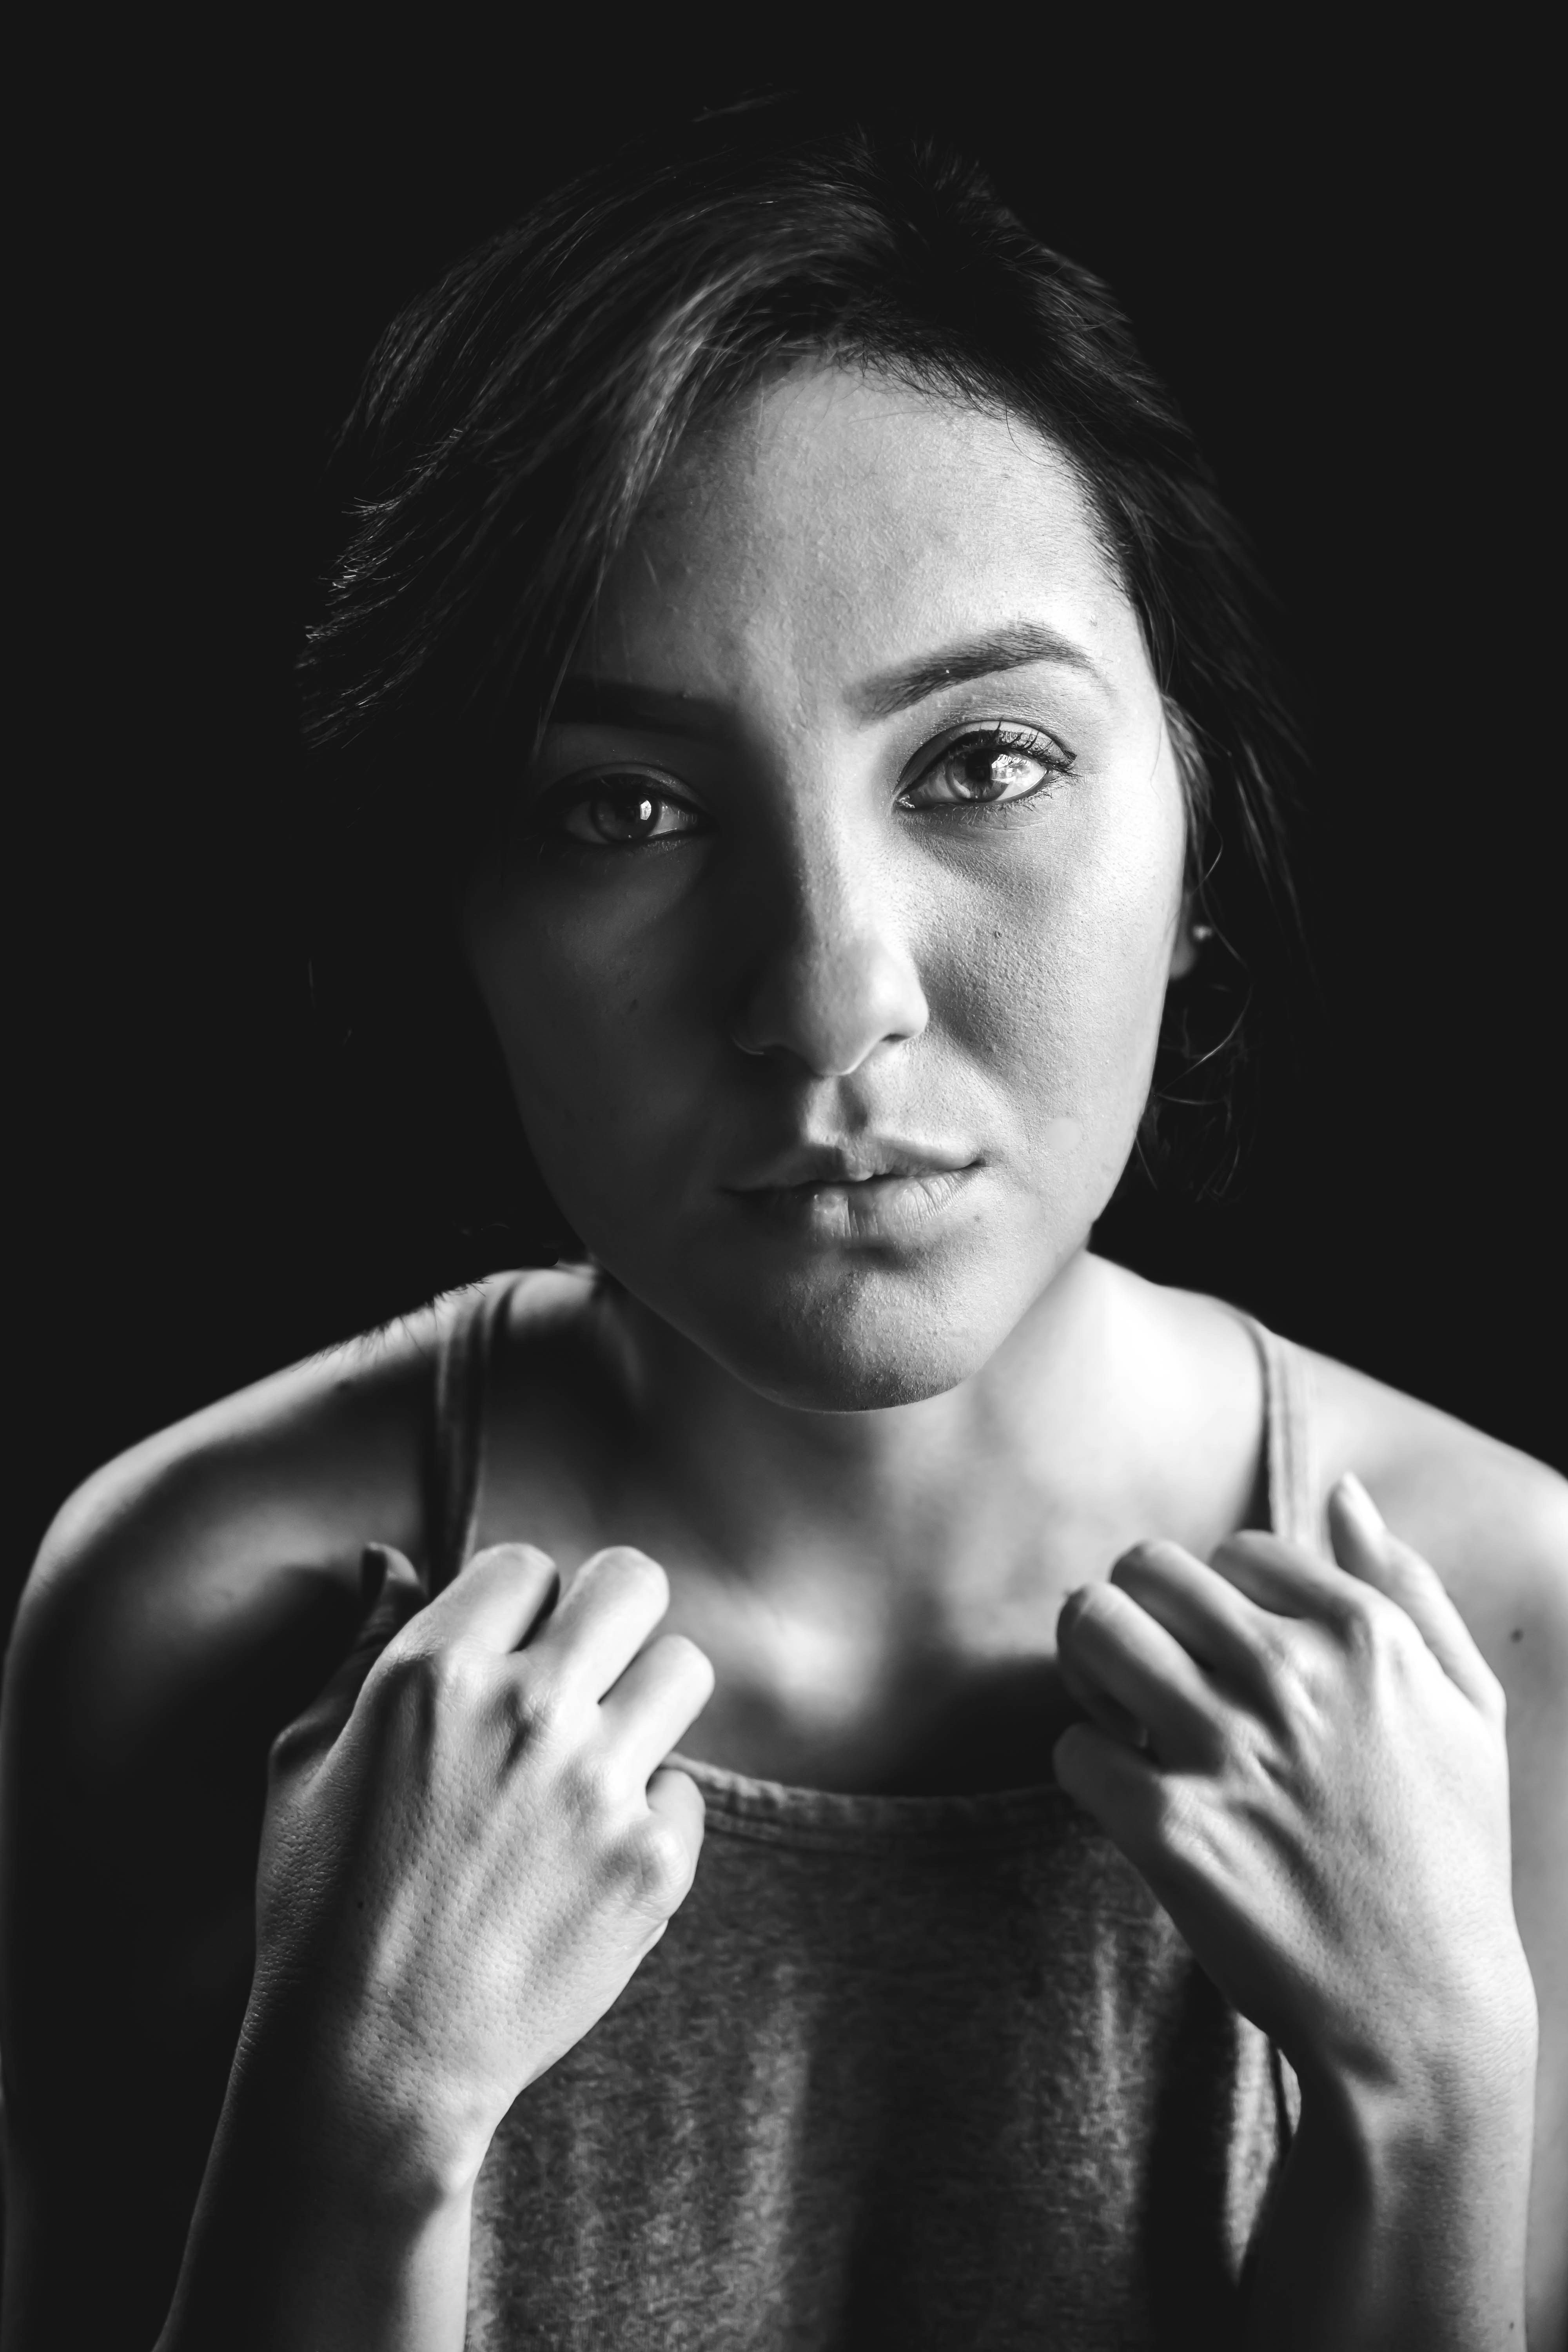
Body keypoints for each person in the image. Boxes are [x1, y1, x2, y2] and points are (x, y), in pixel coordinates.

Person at [2, 106, 1564, 2352]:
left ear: (1202, 830)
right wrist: (362, 2110)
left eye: (983, 765)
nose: (831, 995)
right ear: (456, 921)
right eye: (624, 806)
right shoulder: (198, 1615)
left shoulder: (1509, 1628)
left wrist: (1430, 2094)